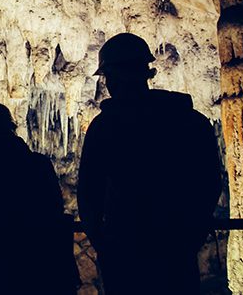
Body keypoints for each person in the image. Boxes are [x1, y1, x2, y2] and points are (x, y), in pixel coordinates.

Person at [78, 33, 222, 295]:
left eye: (108, 77)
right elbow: (210, 183)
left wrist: (103, 243)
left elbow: (89, 194)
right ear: (147, 73)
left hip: (126, 252)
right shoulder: (189, 121)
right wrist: (191, 235)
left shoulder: (106, 128)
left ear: (115, 77)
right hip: (176, 249)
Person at [0, 102, 80, 294]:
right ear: (12, 129)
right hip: (45, 267)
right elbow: (54, 207)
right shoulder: (39, 164)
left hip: (0, 267)